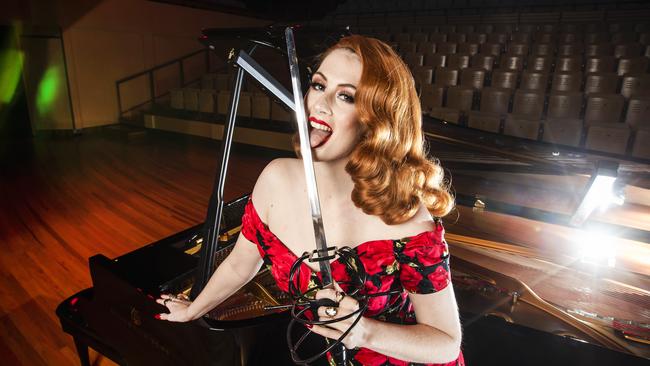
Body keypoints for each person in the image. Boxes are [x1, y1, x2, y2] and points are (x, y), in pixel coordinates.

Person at [156, 35, 464, 366]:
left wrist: (362, 332)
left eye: (345, 96)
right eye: (318, 85)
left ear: (376, 121)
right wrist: (193, 309)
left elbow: (445, 343)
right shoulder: (276, 179)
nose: (319, 104)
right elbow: (240, 263)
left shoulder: (404, 214)